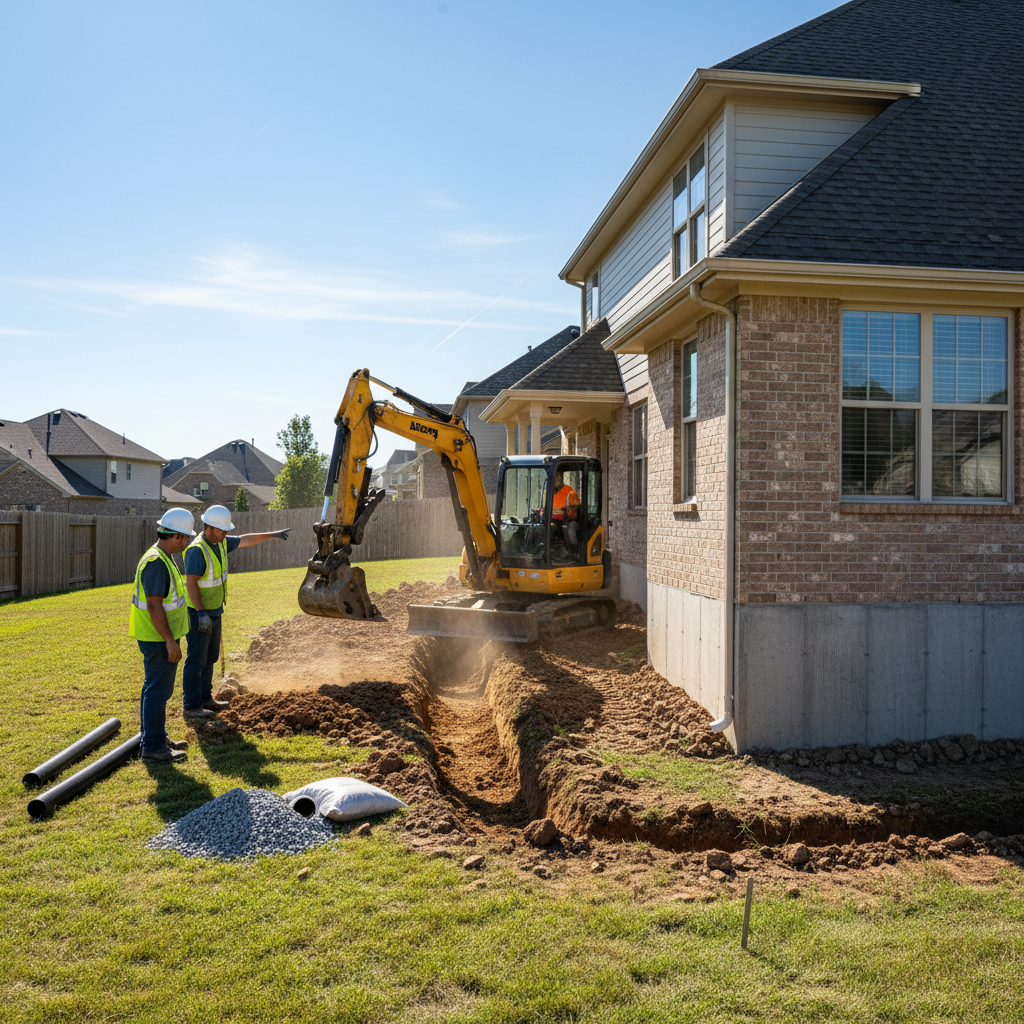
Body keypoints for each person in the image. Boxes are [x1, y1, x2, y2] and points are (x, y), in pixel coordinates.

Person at [181, 505, 289, 720]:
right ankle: (191, 706)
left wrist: (273, 535)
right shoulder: (197, 550)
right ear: (208, 528)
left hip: (214, 611)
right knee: (196, 659)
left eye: (226, 531)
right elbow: (191, 583)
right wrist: (201, 613)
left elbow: (245, 539)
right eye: (221, 531)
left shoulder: (219, 542)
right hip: (198, 614)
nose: (225, 535)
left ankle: (205, 699)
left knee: (210, 657)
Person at [129, 507, 196, 764]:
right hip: (157, 639)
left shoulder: (162, 557)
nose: (188, 542)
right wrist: (170, 640)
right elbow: (155, 605)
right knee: (158, 691)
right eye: (187, 537)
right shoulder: (157, 562)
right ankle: (154, 748)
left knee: (153, 689)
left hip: (156, 636)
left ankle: (154, 737)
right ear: (177, 536)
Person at [551, 471, 581, 549]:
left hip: (565, 520)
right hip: (551, 519)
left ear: (561, 479)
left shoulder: (569, 491)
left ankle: (574, 549)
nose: (555, 481)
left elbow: (575, 511)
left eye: (557, 478)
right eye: (553, 478)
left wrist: (564, 510)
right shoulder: (548, 492)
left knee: (568, 528)